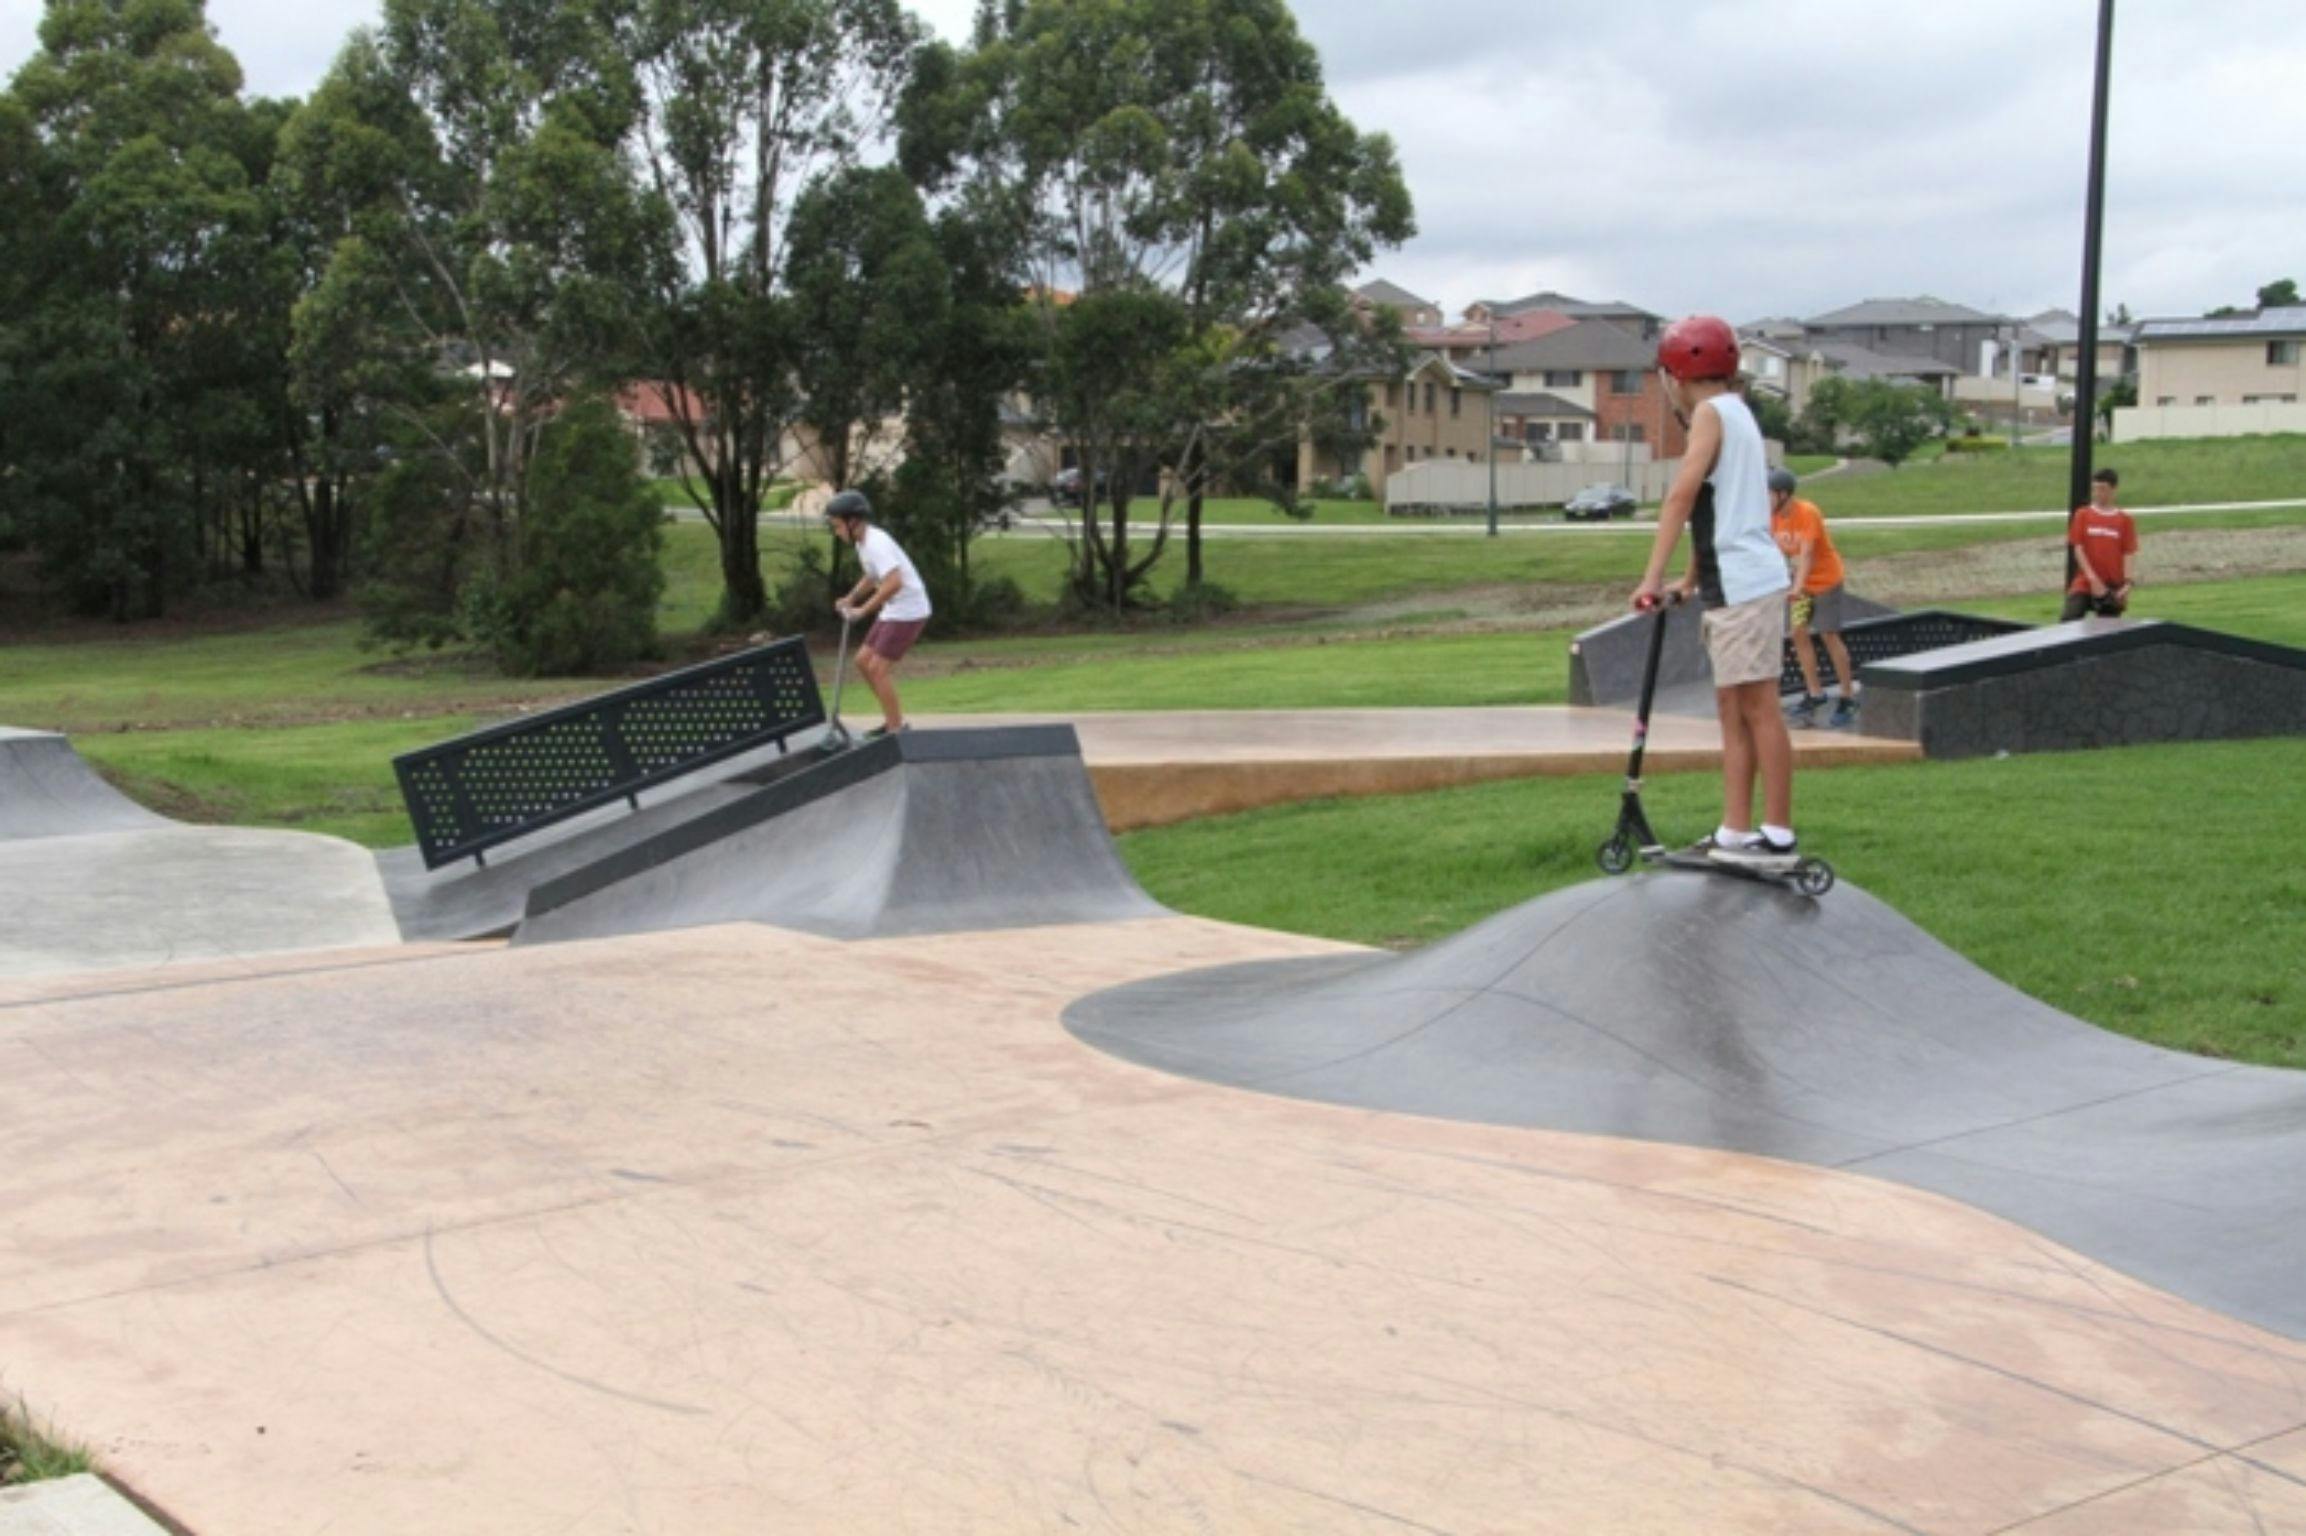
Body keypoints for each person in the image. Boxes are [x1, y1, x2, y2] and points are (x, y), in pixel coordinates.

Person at [1632, 316, 1798, 866]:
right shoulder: (1736, 411)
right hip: (1732, 581)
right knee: (1733, 707)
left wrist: (1650, 579)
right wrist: (1689, 579)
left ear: (1675, 374)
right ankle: (1734, 831)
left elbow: (1680, 498)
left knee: (1759, 708)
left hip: (1746, 584)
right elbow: (1719, 508)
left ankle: (1777, 834)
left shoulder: (1709, 413)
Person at [825, 489, 932, 739]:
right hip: (894, 609)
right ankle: (892, 720)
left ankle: (896, 730)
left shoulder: (876, 543)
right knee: (863, 661)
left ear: (853, 522)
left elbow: (894, 582)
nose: (837, 532)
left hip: (909, 610)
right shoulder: (864, 543)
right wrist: (851, 597)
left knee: (878, 669)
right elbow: (873, 575)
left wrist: (863, 610)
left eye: (838, 526)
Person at [1769, 467, 1860, 728]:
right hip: (1802, 585)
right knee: (1798, 632)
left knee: (1828, 634)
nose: (1766, 501)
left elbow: (1807, 553)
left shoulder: (1807, 513)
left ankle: (1847, 696)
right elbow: (1773, 552)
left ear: (1784, 495)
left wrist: (1797, 586)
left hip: (1825, 582)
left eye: (1769, 495)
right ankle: (1815, 693)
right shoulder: (1771, 518)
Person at [2063, 467, 2138, 620]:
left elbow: (2128, 552)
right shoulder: (2083, 515)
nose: (2098, 494)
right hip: (2085, 582)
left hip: (2112, 584)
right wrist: (2092, 579)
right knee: (2069, 618)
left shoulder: (2124, 520)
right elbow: (2078, 548)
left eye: (2103, 489)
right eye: (2095, 489)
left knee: (2108, 632)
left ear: (2114, 489)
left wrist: (2128, 583)